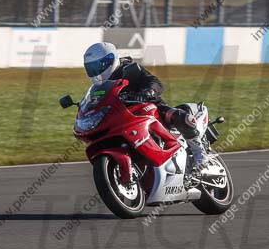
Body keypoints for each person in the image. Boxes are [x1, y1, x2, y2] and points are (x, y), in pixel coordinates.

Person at [82, 41, 209, 171]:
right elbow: (98, 101)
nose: (95, 72)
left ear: (109, 60)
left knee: (178, 117)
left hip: (150, 107)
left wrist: (148, 91)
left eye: (97, 67)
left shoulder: (129, 68)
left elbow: (155, 82)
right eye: (91, 68)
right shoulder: (100, 87)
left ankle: (200, 154)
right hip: (125, 117)